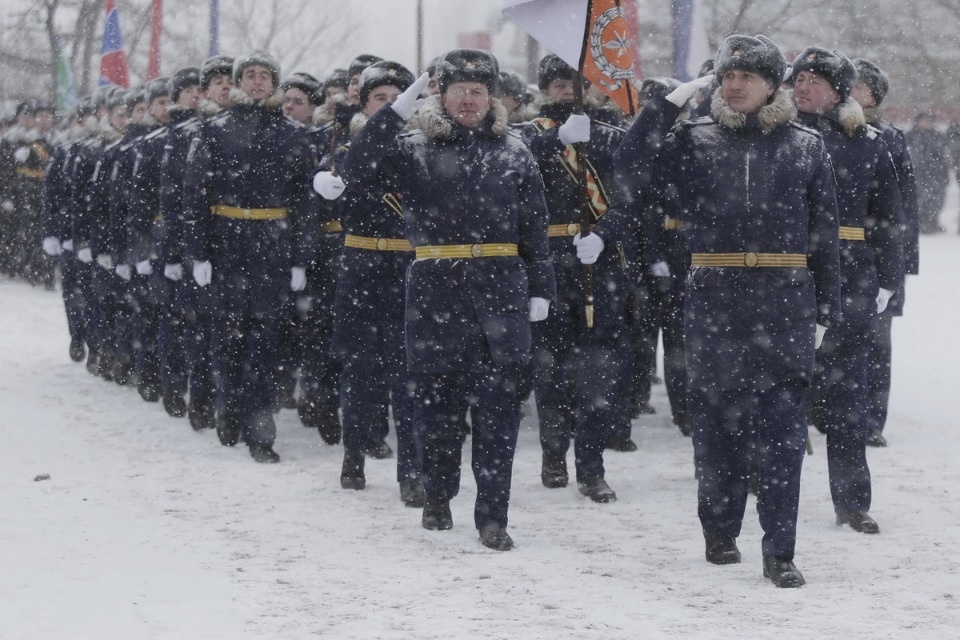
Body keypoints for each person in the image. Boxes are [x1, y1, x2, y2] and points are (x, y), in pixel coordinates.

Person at [616, 34, 841, 587]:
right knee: (717, 424)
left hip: (785, 298)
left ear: (773, 86)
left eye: (748, 77)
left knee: (784, 429)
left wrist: (827, 306)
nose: (735, 85)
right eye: (726, 77)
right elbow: (627, 164)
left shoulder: (806, 146)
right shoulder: (694, 140)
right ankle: (719, 530)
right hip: (714, 295)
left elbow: (825, 233)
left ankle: (780, 551)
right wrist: (666, 105)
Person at [342, 49, 555, 550]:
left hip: (501, 294)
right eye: (458, 90)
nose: (468, 100)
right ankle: (438, 495)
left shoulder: (515, 151)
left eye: (478, 91)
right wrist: (397, 110)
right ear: (441, 94)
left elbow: (536, 228)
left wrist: (542, 287)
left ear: (492, 98)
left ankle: (493, 516)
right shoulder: (413, 146)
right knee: (438, 410)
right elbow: (359, 164)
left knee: (499, 414)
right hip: (437, 293)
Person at [790, 47, 904, 536]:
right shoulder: (780, 139)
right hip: (793, 275)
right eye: (798, 79)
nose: (802, 87)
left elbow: (889, 218)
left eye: (814, 80)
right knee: (780, 392)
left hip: (852, 275)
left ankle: (853, 501)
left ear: (839, 91)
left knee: (848, 395)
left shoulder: (868, 143)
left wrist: (888, 281)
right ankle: (770, 487)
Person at [183, 51, 318, 463]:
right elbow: (194, 196)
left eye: (265, 76)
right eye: (250, 75)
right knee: (227, 336)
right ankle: (228, 407)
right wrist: (198, 253)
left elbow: (305, 203)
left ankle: (260, 429)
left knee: (266, 341)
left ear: (274, 83)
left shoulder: (294, 135)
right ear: (239, 82)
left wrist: (300, 257)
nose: (257, 82)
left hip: (271, 246)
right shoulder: (213, 131)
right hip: (227, 242)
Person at [519, 54, 629, 502]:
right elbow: (512, 183)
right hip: (547, 264)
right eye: (560, 84)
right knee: (549, 369)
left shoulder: (613, 139)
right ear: (546, 90)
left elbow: (631, 201)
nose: (569, 92)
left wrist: (604, 235)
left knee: (598, 372)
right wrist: (555, 142)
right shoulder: (527, 138)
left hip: (599, 267)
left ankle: (592, 467)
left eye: (577, 83)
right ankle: (552, 453)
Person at [315, 60, 424, 506]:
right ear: (364, 105)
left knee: (410, 376)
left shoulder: (424, 148)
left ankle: (411, 472)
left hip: (409, 269)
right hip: (361, 266)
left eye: (400, 99)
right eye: (381, 99)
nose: (392, 108)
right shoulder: (350, 148)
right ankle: (353, 453)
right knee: (360, 372)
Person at [851, 58, 920, 448]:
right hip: (842, 255)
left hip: (879, 255)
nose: (853, 92)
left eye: (861, 86)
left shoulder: (889, 137)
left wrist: (902, 265)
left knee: (877, 343)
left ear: (875, 95)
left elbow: (902, 207)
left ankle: (872, 419)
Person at [906, 112, 949, 234]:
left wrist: (944, 174)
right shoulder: (910, 136)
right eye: (923, 120)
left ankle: (932, 222)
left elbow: (944, 157)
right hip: (917, 174)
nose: (925, 123)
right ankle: (920, 223)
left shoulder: (938, 136)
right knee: (919, 200)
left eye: (928, 120)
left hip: (936, 175)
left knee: (936, 200)